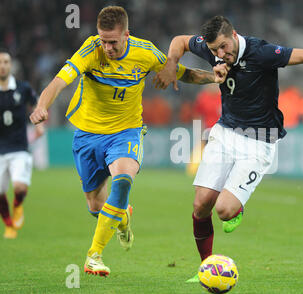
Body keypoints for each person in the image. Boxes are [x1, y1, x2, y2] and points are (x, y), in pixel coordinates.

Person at [153, 15, 303, 282]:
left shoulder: (262, 52)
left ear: (234, 35)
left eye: (224, 47)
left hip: (259, 141)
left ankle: (237, 207)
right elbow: (179, 41)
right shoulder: (213, 50)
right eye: (214, 51)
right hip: (225, 133)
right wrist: (170, 64)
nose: (220, 54)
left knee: (224, 209)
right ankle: (207, 267)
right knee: (201, 204)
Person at [29, 6, 225, 277]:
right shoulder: (90, 50)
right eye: (103, 40)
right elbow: (58, 83)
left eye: (113, 41)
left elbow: (182, 73)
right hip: (87, 134)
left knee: (122, 180)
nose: (107, 47)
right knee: (96, 206)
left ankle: (93, 256)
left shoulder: (145, 52)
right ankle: (122, 216)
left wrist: (212, 76)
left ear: (126, 35)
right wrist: (42, 106)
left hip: (126, 132)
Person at [0, 48, 44, 239]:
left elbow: (36, 103)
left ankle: (18, 204)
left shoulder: (22, 88)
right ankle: (9, 225)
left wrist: (39, 124)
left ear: (11, 65)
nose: (2, 66)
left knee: (19, 187)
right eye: (0, 63)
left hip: (19, 146)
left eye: (6, 62)